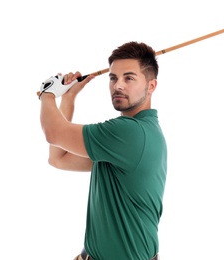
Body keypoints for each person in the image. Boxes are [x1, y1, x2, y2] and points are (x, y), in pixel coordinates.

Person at [39, 41, 167, 260]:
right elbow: (58, 158)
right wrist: (68, 98)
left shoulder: (130, 134)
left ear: (151, 86)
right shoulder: (124, 140)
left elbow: (54, 133)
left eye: (129, 78)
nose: (118, 86)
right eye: (113, 78)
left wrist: (47, 93)